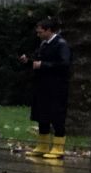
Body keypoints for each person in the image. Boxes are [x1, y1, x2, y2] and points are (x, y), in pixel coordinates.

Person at [20, 16, 72, 160]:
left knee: (56, 116)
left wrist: (43, 65)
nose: (38, 35)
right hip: (42, 86)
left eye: (40, 32)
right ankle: (42, 145)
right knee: (42, 115)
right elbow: (38, 61)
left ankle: (58, 146)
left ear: (49, 30)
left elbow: (64, 64)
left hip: (56, 87)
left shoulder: (61, 44)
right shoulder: (44, 44)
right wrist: (28, 61)